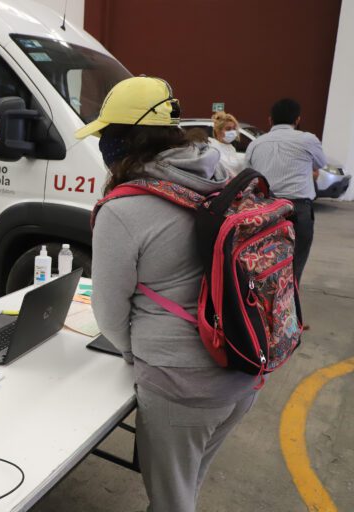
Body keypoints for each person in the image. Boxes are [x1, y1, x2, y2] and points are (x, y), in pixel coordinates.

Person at [77, 76, 258, 512]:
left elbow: (109, 311)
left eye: (106, 133)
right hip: (245, 367)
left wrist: (130, 353)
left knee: (172, 500)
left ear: (124, 138)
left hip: (182, 386)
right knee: (187, 484)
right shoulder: (220, 175)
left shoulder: (123, 209)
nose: (101, 143)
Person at [245, 98, 327, 284]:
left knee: (265, 261)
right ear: (297, 120)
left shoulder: (256, 144)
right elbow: (320, 164)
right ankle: (290, 297)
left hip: (265, 210)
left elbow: (249, 174)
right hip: (298, 209)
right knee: (295, 262)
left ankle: (264, 296)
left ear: (270, 120)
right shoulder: (308, 139)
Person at [208, 111, 246, 176]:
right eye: (228, 129)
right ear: (218, 131)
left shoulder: (231, 148)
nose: (232, 132)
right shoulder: (212, 148)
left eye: (234, 129)